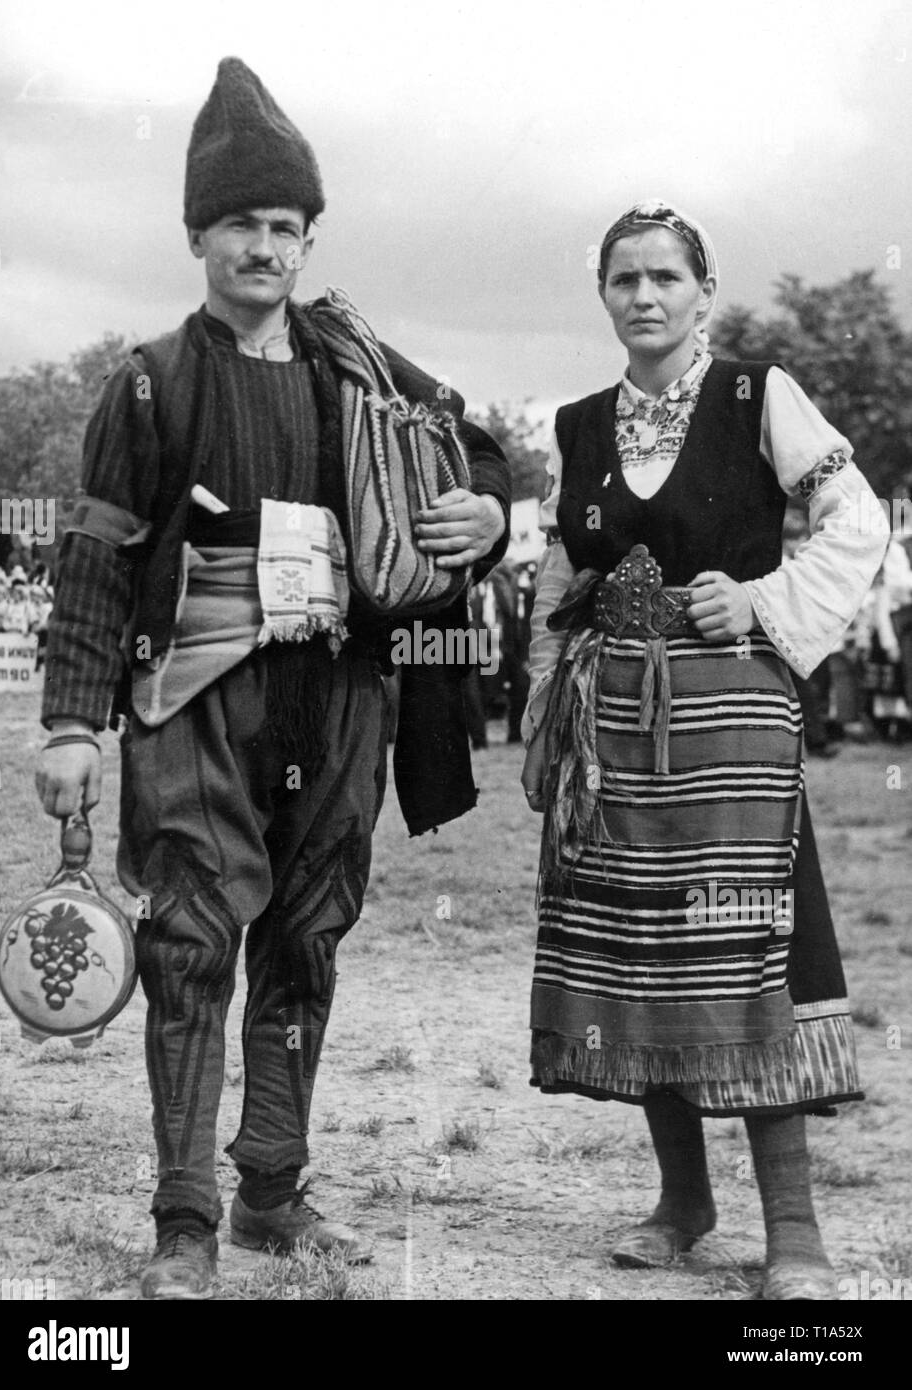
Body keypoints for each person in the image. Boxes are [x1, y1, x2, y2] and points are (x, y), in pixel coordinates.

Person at [35, 57, 510, 1300]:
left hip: (344, 695)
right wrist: (72, 722)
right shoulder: (149, 380)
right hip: (191, 699)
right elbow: (95, 558)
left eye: (285, 226)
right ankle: (183, 1217)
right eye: (240, 223)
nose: (263, 245)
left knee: (306, 941)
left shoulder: (358, 365)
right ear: (198, 232)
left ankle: (272, 1190)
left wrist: (488, 515)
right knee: (190, 942)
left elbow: (484, 446)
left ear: (309, 240)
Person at [520, 200, 888, 1300]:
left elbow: (856, 521)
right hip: (610, 734)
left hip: (731, 730)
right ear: (603, 295)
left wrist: (761, 597)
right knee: (639, 960)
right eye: (624, 278)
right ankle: (685, 1201)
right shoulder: (579, 425)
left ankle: (795, 1234)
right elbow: (552, 576)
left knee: (746, 958)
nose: (644, 296)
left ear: (702, 293)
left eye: (665, 278)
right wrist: (545, 711)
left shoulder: (755, 393)